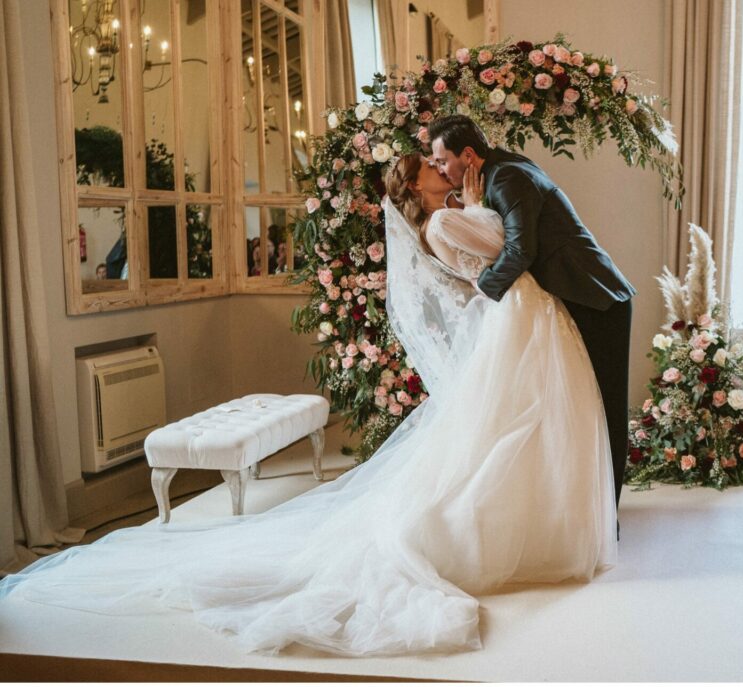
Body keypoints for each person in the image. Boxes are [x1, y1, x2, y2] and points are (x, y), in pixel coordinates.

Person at [0, 154, 616, 658]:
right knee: (505, 428)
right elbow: (512, 245)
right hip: (518, 315)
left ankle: (534, 518)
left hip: (522, 320)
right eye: (432, 167)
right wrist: (481, 204)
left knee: (513, 427)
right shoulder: (443, 223)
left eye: (442, 162)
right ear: (418, 186)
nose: (443, 169)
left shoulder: (458, 209)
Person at [429, 115, 635, 512]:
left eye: (441, 161)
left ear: (467, 155)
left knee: (606, 409)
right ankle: (586, 508)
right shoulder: (496, 174)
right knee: (581, 406)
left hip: (596, 299)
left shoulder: (507, 178)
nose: (439, 169)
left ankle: (608, 515)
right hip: (571, 296)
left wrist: (484, 288)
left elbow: (522, 249)